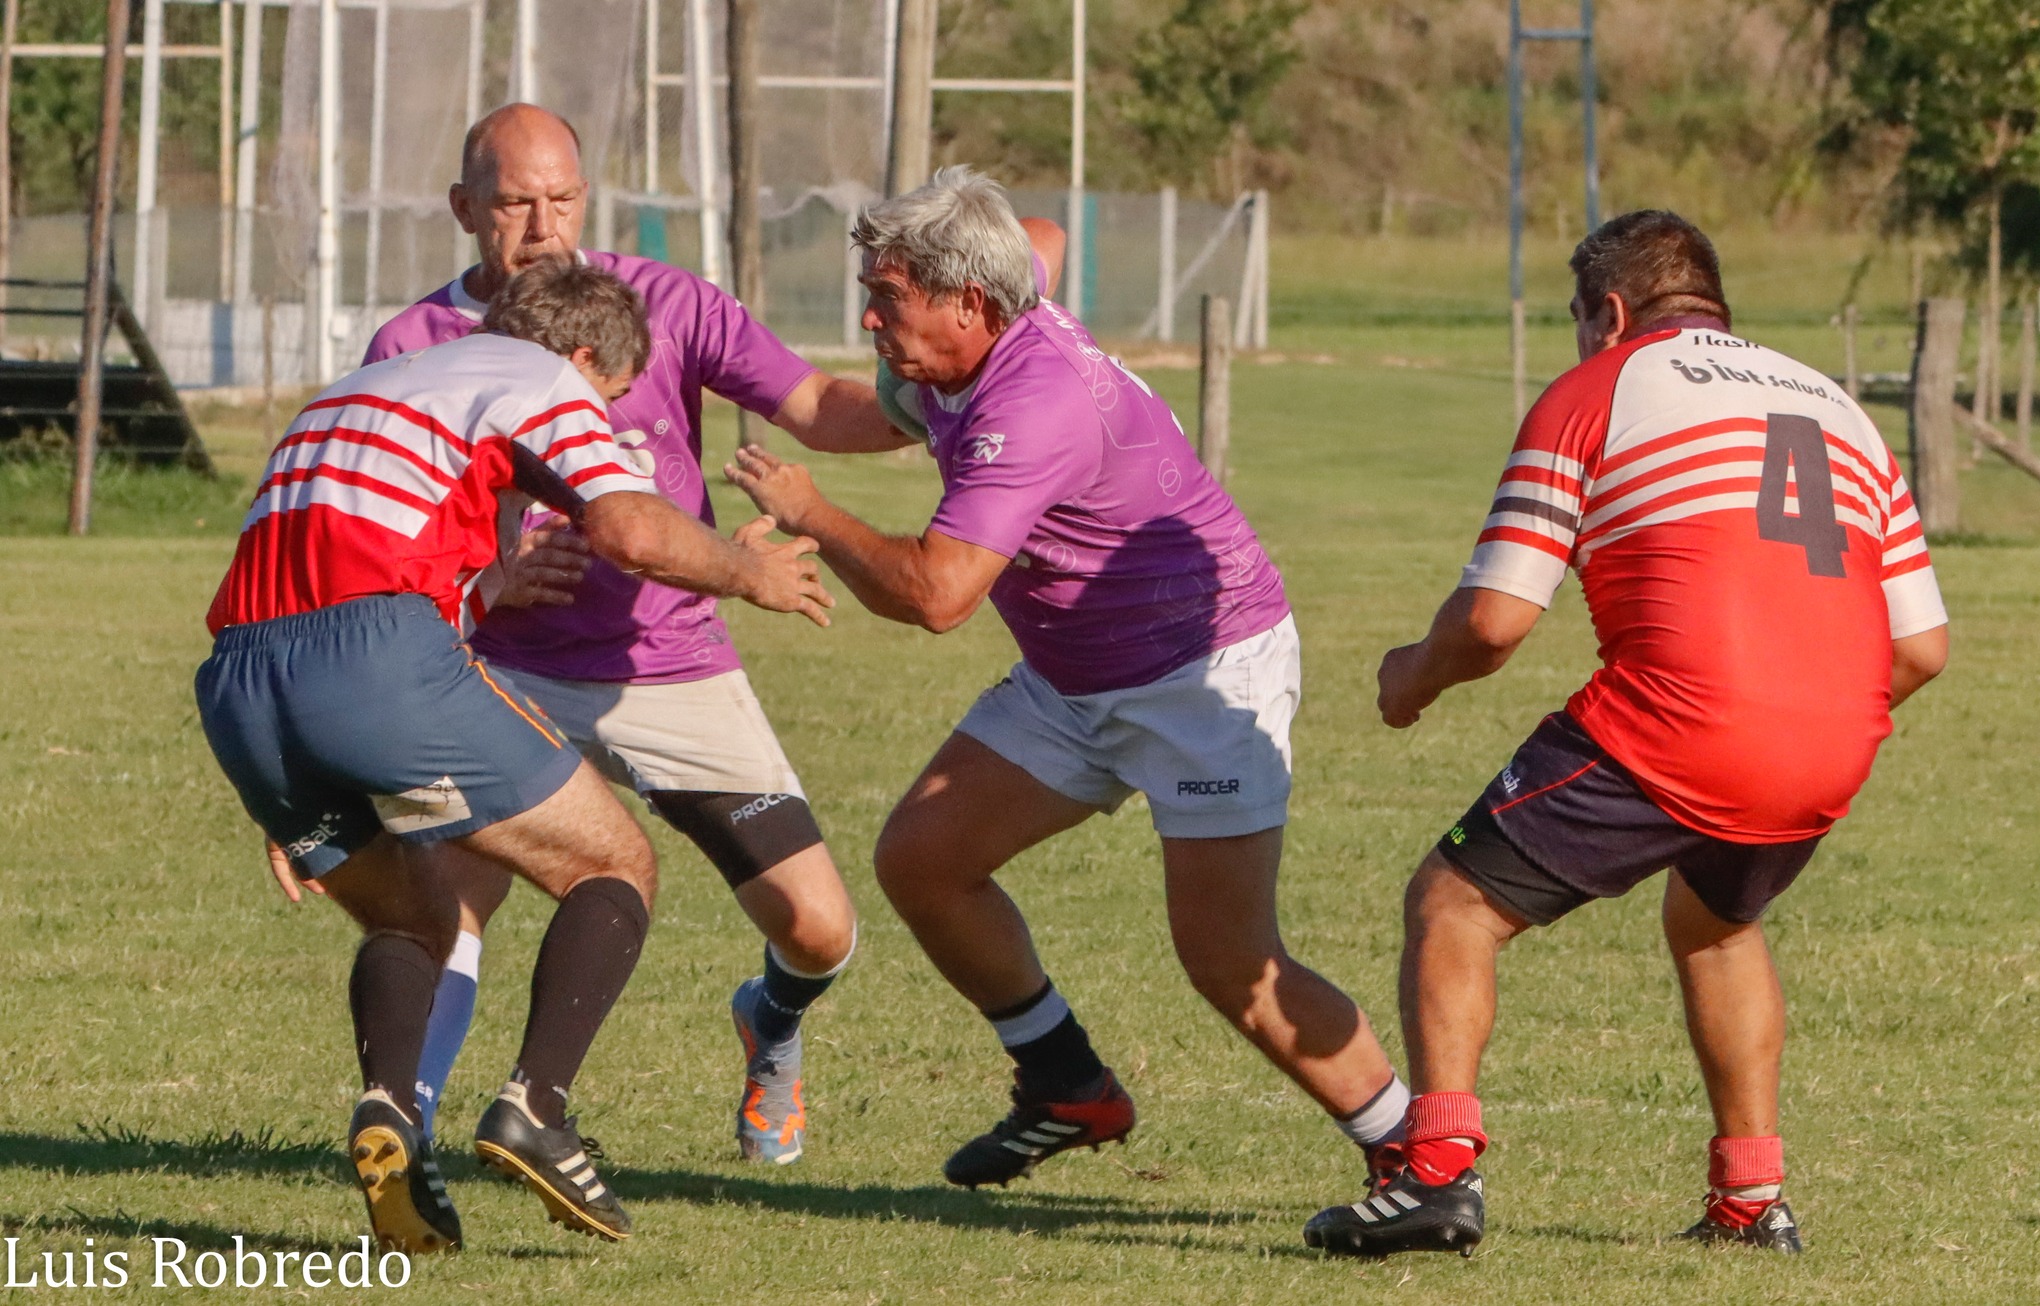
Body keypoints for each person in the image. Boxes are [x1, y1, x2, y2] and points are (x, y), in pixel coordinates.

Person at [725, 166, 1412, 1190]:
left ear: (970, 302)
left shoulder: (1030, 404)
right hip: (1077, 667)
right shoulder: (999, 297)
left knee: (1231, 960)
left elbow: (937, 595)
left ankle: (1417, 1156)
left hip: (1202, 670)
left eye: (888, 297)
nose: (868, 320)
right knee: (923, 858)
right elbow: (1036, 234)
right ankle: (1066, 1083)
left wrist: (811, 513)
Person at [1301, 211, 1948, 1259]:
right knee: (1716, 926)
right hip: (1833, 737)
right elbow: (1919, 648)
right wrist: (1806, 712)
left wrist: (1407, 678)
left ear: (1608, 311)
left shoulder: (1596, 389)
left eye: (1575, 320)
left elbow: (1494, 620)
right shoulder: (1837, 406)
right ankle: (1751, 1201)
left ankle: (1434, 1176)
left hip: (1680, 722)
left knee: (1452, 903)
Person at [198, 261, 832, 1251]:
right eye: (611, 399)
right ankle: (536, 1107)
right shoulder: (540, 376)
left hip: (243, 690)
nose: (604, 422)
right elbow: (629, 527)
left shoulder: (358, 393)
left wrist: (291, 785)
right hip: (377, 660)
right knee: (613, 863)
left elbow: (320, 576)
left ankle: (390, 1112)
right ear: (582, 359)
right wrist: (748, 572)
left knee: (414, 914)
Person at [359, 103, 896, 1165]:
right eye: (515, 203)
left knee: (818, 929)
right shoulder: (412, 347)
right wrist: (493, 582)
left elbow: (814, 401)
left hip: (670, 664)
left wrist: (952, 392)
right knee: (447, 902)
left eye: (562, 199)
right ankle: (406, 1129)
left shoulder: (666, 304)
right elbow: (383, 542)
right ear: (465, 208)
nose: (542, 227)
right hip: (497, 673)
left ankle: (770, 1023)